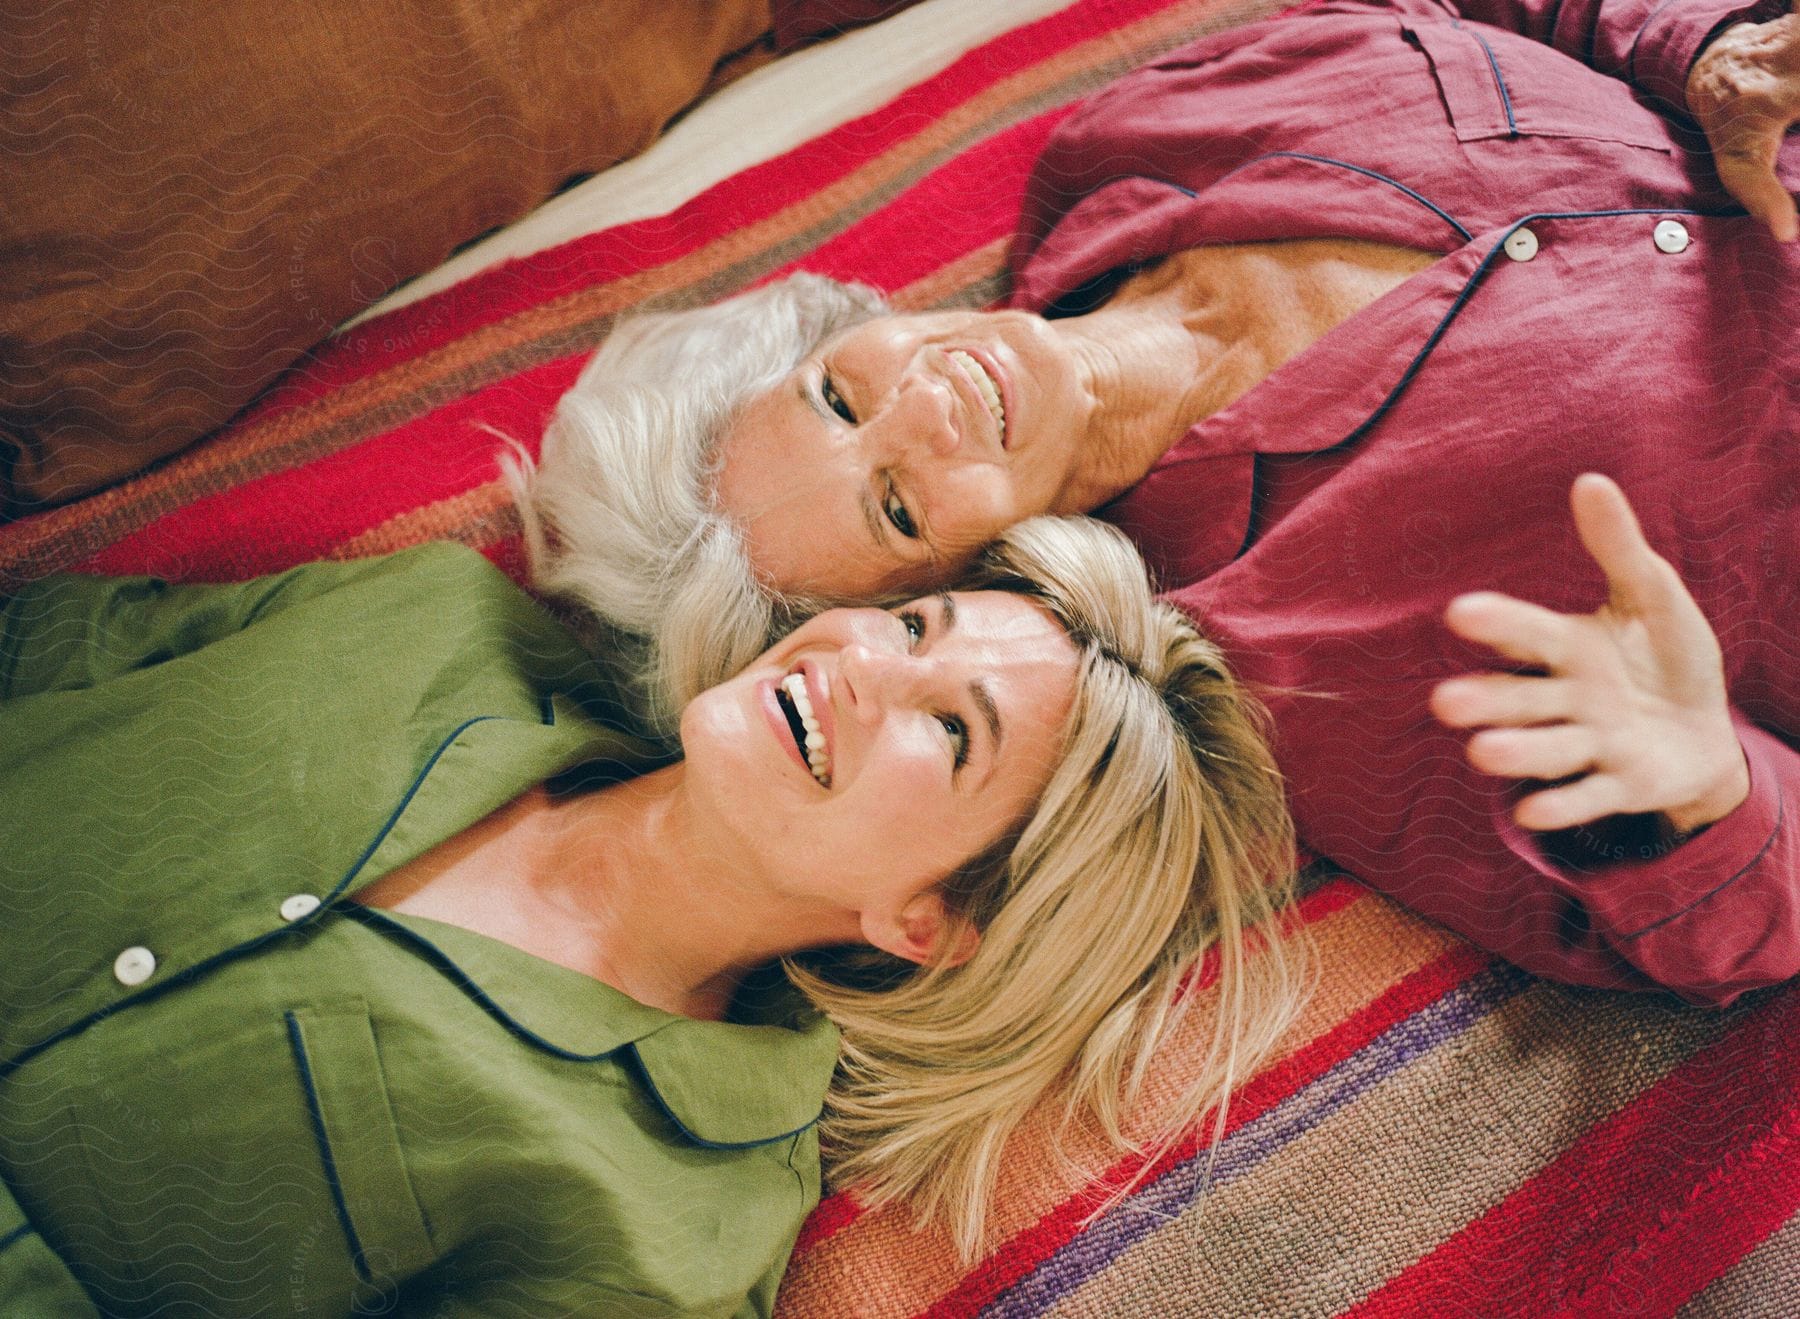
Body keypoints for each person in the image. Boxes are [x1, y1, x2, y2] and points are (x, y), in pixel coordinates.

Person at [513, 0, 1800, 1007]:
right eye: (898, 508)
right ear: (957, 591)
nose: (928, 410)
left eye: (842, 397)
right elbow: (1709, 923)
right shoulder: (1317, 676)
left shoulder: (1126, 147)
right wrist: (1709, 787)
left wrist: (1704, 53)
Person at [0, 517, 1303, 1314]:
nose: (859, 662)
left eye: (949, 729)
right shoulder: (437, 620)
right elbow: (43, 645)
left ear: (929, 921)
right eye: (914, 622)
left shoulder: (671, 1237)